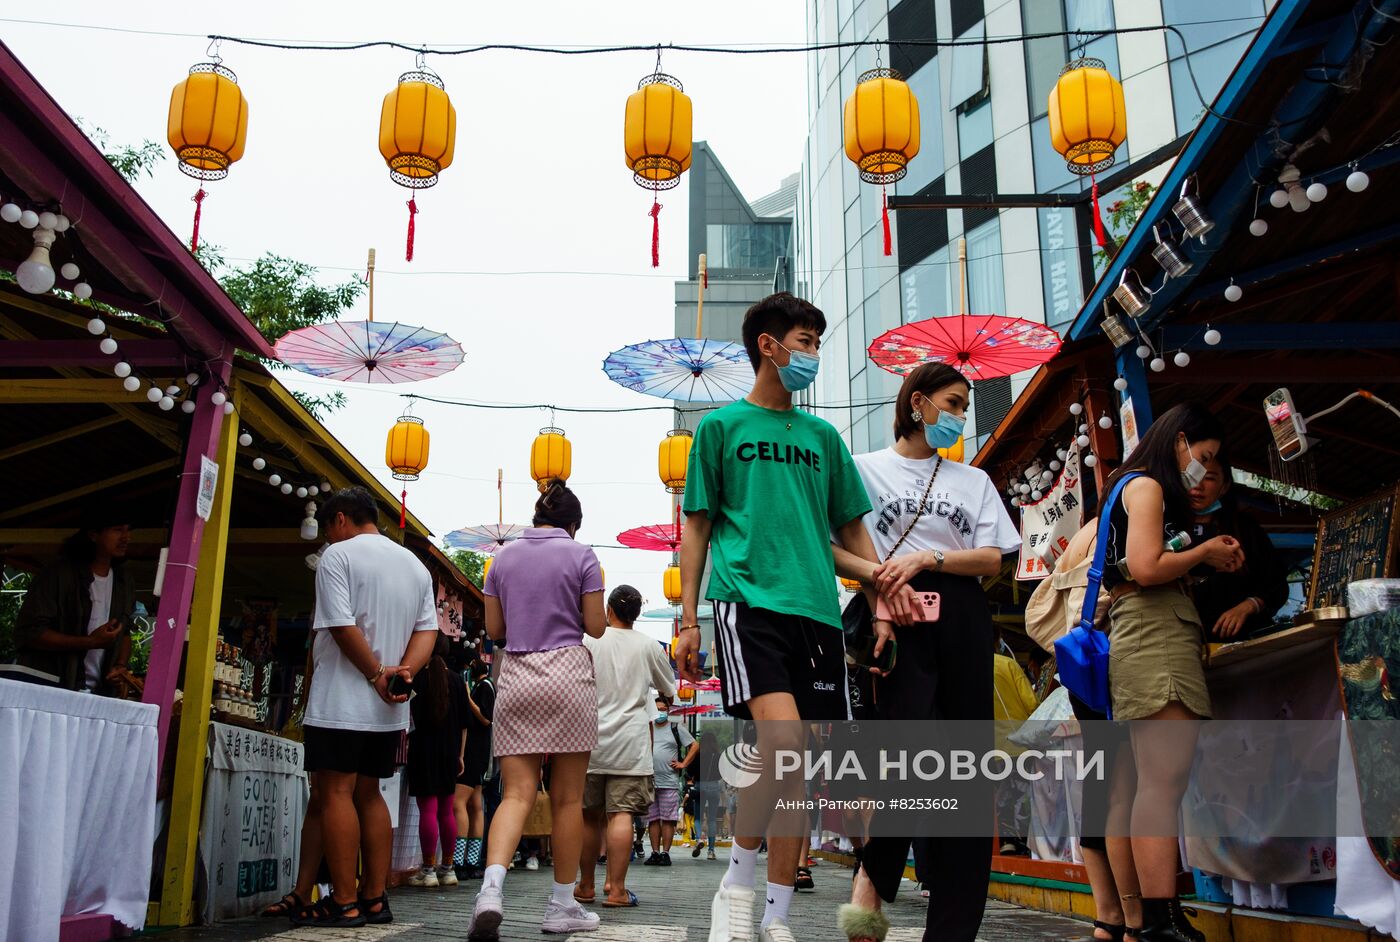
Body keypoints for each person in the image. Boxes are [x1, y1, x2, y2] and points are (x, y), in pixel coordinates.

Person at [672, 292, 897, 942]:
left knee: (795, 768)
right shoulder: (721, 428)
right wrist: (688, 620)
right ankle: (737, 887)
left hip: (818, 613)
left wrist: (880, 607)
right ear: (768, 346)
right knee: (786, 745)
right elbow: (697, 528)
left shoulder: (824, 439)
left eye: (817, 343)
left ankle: (775, 918)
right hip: (747, 604)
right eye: (805, 342)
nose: (814, 354)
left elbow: (853, 532)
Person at [831, 362, 1022, 942]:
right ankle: (873, 879)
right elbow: (833, 546)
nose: (960, 415)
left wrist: (928, 558)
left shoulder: (973, 480)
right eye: (953, 402)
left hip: (961, 614)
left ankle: (951, 930)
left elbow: (994, 558)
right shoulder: (862, 469)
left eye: (965, 406)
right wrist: (883, 591)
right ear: (917, 403)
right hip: (893, 618)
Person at [1099, 403, 1243, 942]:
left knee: (1151, 785)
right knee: (1161, 785)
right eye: (1203, 455)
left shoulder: (1125, 484)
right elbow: (1146, 567)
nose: (1203, 469)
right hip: (1155, 631)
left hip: (1143, 631)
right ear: (1180, 442)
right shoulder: (1148, 487)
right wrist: (1203, 553)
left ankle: (1155, 918)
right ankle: (1160, 920)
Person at [468, 480, 607, 940]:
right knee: (567, 798)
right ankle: (562, 906)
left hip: (518, 675)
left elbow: (495, 629)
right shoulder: (583, 555)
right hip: (568, 675)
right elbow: (596, 627)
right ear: (573, 524)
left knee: (515, 795)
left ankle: (490, 891)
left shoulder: (501, 559)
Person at [297, 486, 439, 927]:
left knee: (335, 792)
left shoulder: (337, 557)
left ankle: (344, 900)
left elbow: (341, 626)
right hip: (389, 707)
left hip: (341, 699)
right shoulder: (414, 565)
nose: (328, 537)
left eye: (328, 528)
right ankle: (375, 898)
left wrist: (376, 673)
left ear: (340, 519)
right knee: (371, 793)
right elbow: (428, 631)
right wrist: (403, 674)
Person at [577, 584, 676, 908]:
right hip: (630, 745)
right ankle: (617, 890)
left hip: (589, 740)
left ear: (608, 610)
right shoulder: (649, 646)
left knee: (589, 817)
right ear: (637, 613)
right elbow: (668, 688)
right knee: (621, 814)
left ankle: (586, 886)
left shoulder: (588, 640)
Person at [15, 507, 136, 692]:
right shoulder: (58, 574)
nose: (126, 537)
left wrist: (120, 666)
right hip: (51, 689)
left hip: (98, 694)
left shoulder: (124, 580)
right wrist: (90, 642)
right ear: (93, 535)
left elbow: (125, 632)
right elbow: (30, 633)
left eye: (128, 530)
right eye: (118, 530)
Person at [1186, 455, 1288, 641]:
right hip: (1189, 643)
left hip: (1248, 641)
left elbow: (1277, 584)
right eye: (1191, 476)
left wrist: (1249, 605)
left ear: (1224, 486)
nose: (1198, 485)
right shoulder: (1166, 530)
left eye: (1209, 478)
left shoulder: (1244, 528)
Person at [406, 634, 470, 889]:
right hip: (450, 752)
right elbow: (465, 724)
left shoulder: (417, 679)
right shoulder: (457, 680)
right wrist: (460, 755)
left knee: (428, 810)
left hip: (422, 751)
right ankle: (448, 869)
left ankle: (428, 870)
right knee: (446, 810)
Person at [454, 658, 496, 880]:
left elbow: (486, 719)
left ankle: (459, 860)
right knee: (474, 805)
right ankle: (471, 861)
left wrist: (468, 698)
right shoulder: (485, 685)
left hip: (474, 751)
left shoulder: (485, 686)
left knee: (459, 802)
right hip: (479, 751)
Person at [644, 695, 697, 865]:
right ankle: (654, 852)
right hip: (649, 780)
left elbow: (694, 745)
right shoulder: (647, 727)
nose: (661, 712)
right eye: (657, 709)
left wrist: (683, 764)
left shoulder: (675, 727)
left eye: (663, 709)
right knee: (652, 819)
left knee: (668, 819)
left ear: (668, 711)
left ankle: (665, 853)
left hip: (669, 781)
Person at [691, 730, 724, 860]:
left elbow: (690, 771)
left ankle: (699, 838)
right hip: (714, 786)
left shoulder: (697, 754)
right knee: (712, 819)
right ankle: (711, 851)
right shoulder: (718, 756)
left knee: (698, 818)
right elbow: (722, 772)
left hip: (700, 786)